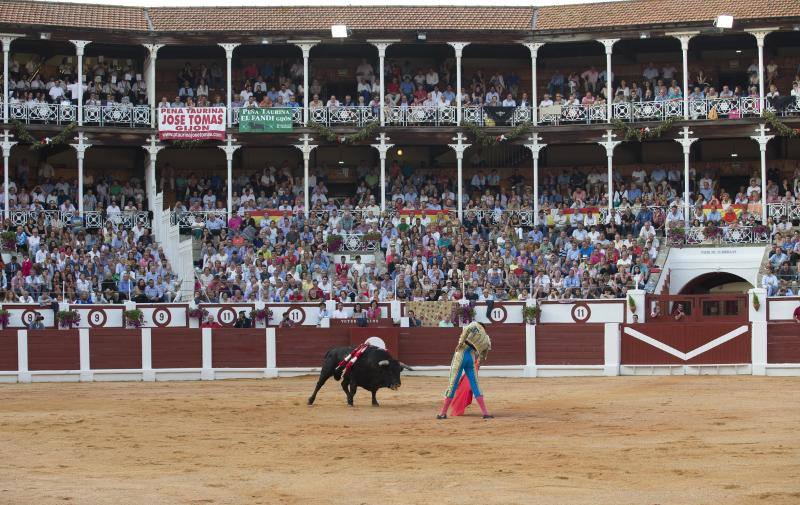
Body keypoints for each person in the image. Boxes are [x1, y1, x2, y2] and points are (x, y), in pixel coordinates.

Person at [437, 322, 493, 420]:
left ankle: (443, 413)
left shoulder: (475, 325)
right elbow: (484, 355)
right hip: (471, 359)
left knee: (453, 384)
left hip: (461, 355)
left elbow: (466, 330)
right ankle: (485, 413)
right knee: (475, 385)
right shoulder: (487, 339)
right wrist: (478, 363)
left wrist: (460, 343)